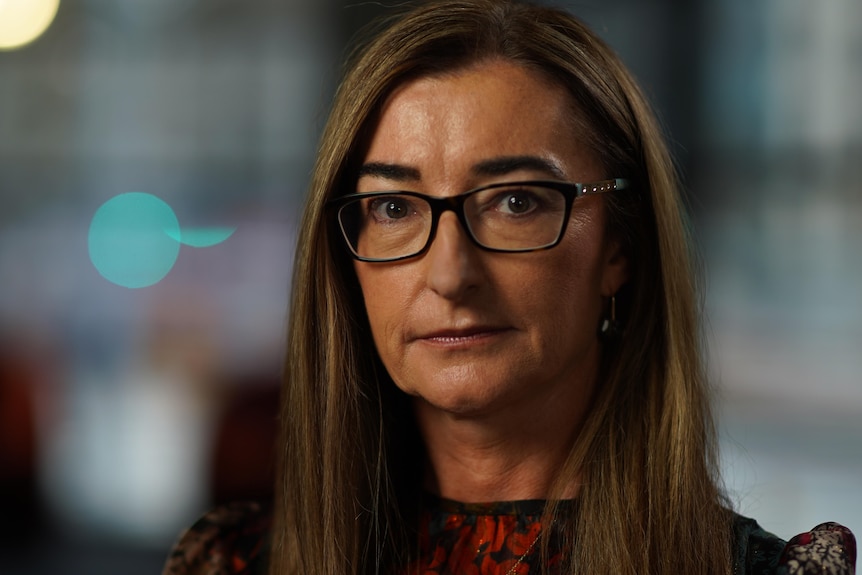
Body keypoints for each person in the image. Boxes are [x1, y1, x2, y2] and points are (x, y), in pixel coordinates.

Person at [162, 1, 856, 574]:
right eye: (395, 209)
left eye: (516, 201)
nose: (450, 274)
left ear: (621, 246)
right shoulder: (231, 563)